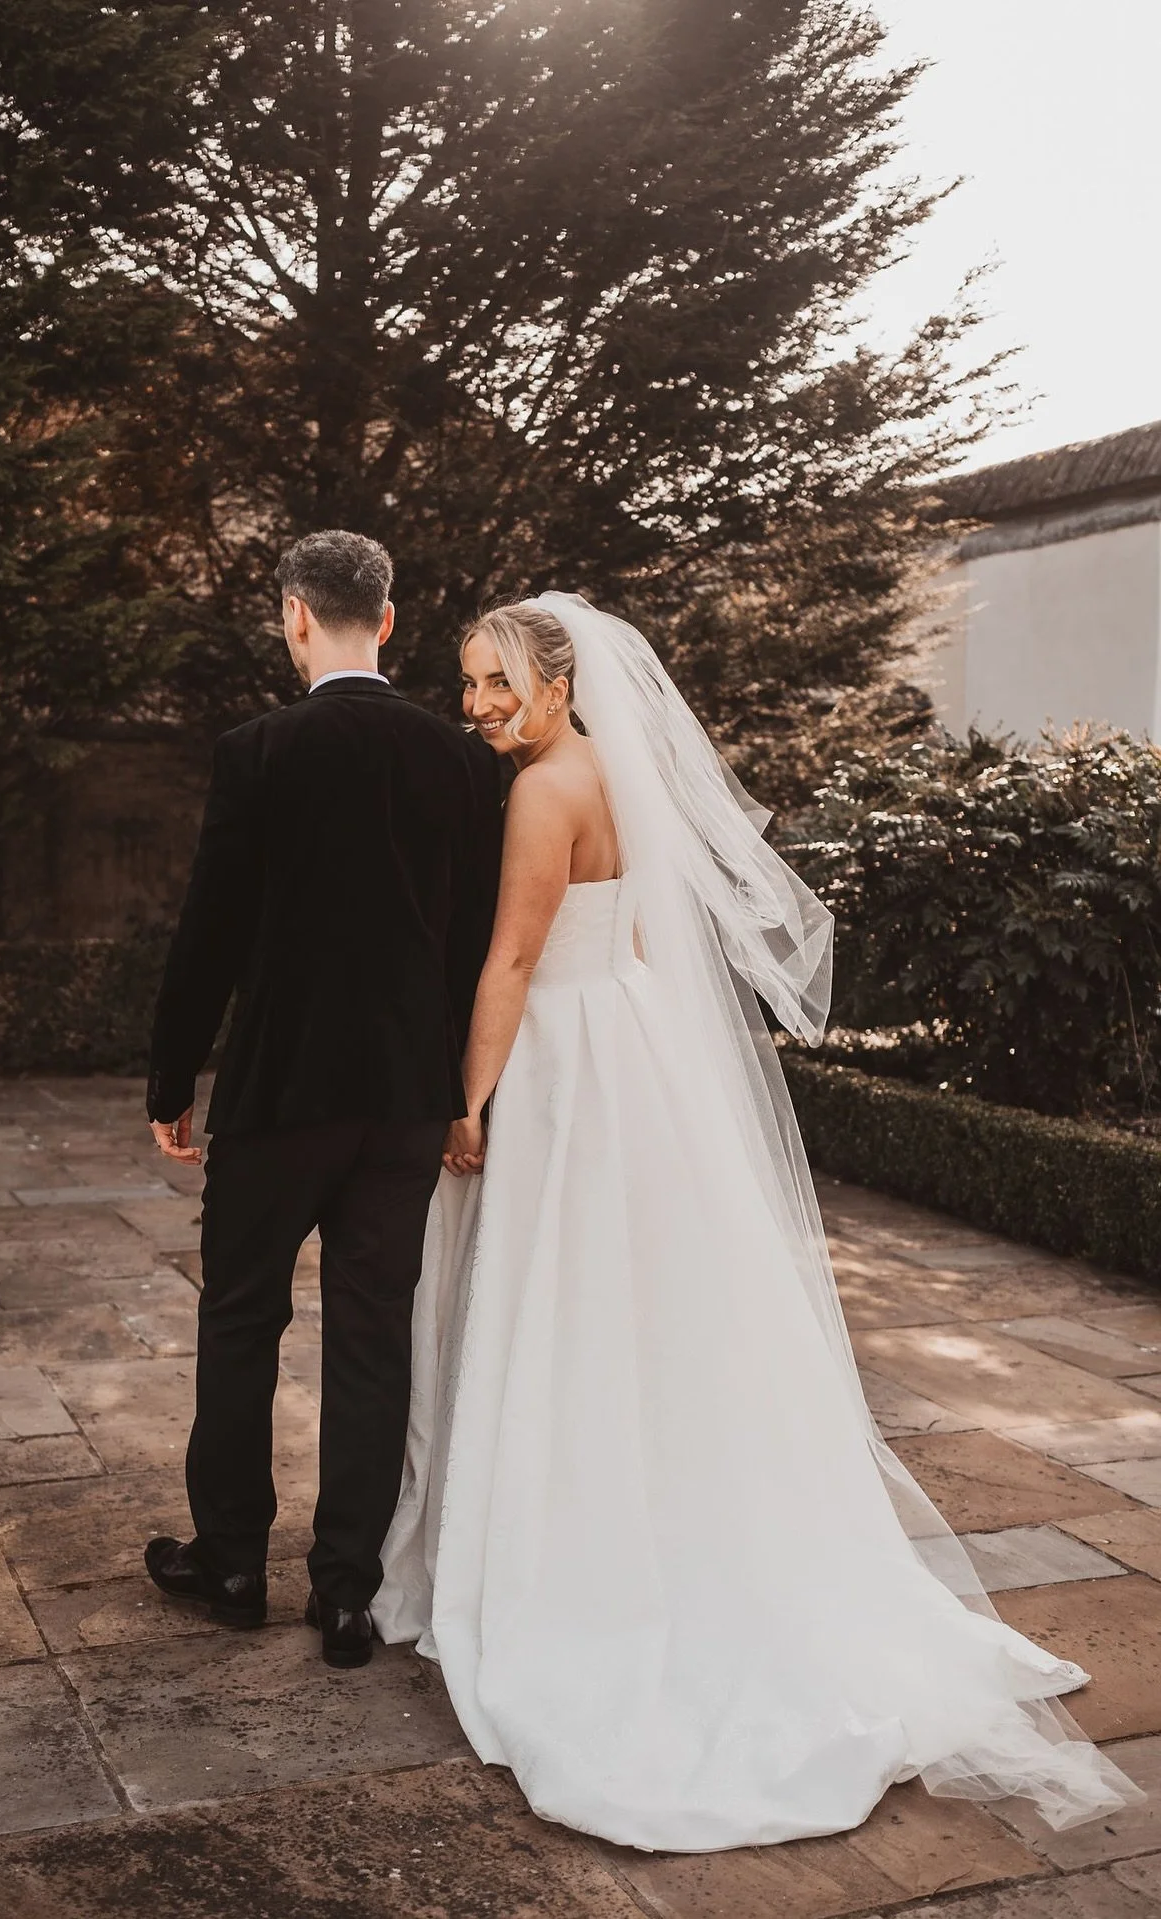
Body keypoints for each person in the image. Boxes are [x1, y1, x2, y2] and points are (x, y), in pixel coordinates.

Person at [373, 592, 1140, 1847]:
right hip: (635, 1053)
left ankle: (574, 1556)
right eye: (466, 681)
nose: (476, 703)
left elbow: (512, 962)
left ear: (562, 682)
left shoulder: (540, 794)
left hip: (567, 1058)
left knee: (564, 1300)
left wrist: (468, 1099)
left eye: (497, 680)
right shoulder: (618, 771)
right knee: (654, 1307)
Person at [143, 531, 503, 1669]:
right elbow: (472, 939)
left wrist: (171, 1076)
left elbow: (210, 932)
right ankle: (347, 1590)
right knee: (370, 1331)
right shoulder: (459, 759)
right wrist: (454, 1086)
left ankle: (234, 1560)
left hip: (282, 1089)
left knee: (242, 1315)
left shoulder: (257, 751)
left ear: (295, 617)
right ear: (387, 621)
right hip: (402, 1097)